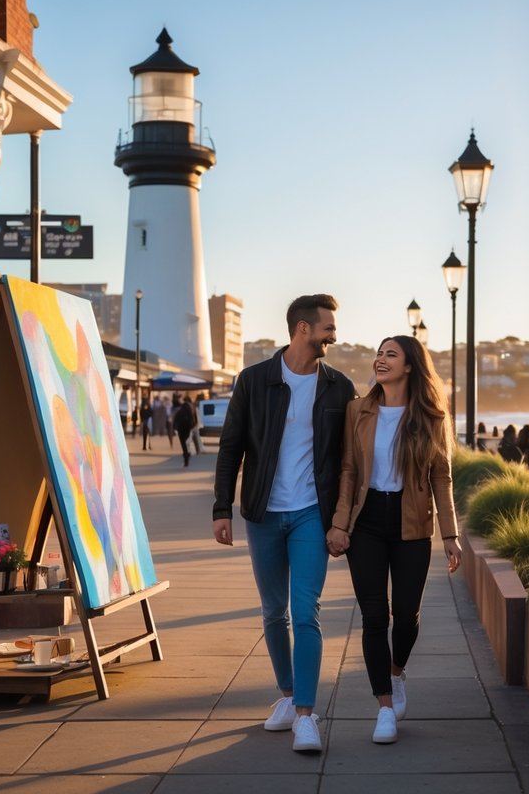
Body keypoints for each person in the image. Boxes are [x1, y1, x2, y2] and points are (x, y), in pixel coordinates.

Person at [213, 294, 356, 752]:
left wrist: (342, 519)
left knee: (305, 612)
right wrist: (221, 508)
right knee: (273, 612)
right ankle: (288, 694)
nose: (333, 334)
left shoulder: (339, 387)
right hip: (263, 514)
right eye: (327, 328)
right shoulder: (255, 381)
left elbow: (351, 458)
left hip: (313, 514)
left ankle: (306, 716)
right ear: (302, 330)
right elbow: (231, 447)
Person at [326, 335, 461, 745]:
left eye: (390, 354)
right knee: (372, 617)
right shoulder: (357, 410)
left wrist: (450, 535)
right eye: (379, 353)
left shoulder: (431, 417)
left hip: (412, 524)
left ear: (409, 366)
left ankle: (397, 671)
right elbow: (348, 470)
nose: (380, 360)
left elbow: (441, 477)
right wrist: (339, 523)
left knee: (406, 616)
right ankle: (384, 708)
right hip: (366, 521)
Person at [173, 394, 195, 467]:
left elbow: (176, 419)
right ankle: (187, 454)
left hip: (181, 429)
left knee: (183, 444)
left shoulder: (181, 409)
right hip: (188, 429)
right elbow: (193, 420)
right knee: (187, 442)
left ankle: (186, 457)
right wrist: (192, 427)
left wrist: (175, 428)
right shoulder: (191, 409)